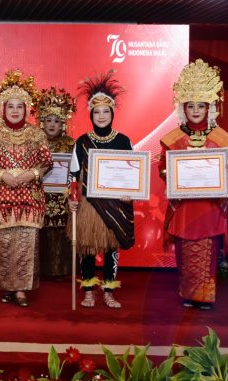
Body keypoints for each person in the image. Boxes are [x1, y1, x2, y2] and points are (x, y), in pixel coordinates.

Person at [160, 59, 228, 310]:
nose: (195, 110)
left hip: (209, 206)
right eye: (190, 105)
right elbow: (162, 168)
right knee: (185, 251)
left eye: (200, 105)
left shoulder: (221, 138)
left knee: (208, 249)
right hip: (184, 206)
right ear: (184, 107)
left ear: (209, 107)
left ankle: (205, 296)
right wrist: (169, 173)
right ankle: (188, 293)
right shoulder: (173, 138)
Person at [0, 70, 53, 307]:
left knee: (26, 242)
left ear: (26, 108)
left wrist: (32, 174)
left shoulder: (37, 134)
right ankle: (7, 287)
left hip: (29, 198)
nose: (14, 110)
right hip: (2, 196)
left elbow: (47, 162)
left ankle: (21, 290)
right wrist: (2, 175)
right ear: (3, 108)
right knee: (3, 243)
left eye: (19, 106)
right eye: (10, 106)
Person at [68, 70, 135, 309]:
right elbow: (73, 175)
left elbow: (133, 174)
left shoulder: (124, 141)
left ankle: (108, 290)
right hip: (88, 203)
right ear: (91, 114)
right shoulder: (82, 142)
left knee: (110, 249)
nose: (101, 116)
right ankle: (88, 290)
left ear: (112, 113)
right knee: (87, 248)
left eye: (106, 111)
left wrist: (131, 193)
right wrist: (71, 198)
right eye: (97, 112)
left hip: (116, 203)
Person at [35, 87, 77, 280]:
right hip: (39, 194)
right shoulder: (35, 142)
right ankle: (40, 270)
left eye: (56, 121)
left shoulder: (70, 143)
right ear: (42, 122)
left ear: (63, 123)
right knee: (40, 231)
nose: (52, 124)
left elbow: (75, 171)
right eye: (48, 120)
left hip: (62, 197)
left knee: (61, 232)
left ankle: (62, 270)